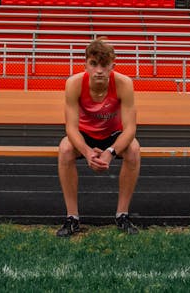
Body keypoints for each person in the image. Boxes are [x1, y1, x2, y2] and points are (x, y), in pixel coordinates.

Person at [56, 37, 141, 237]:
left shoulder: (124, 84)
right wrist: (86, 152)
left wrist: (111, 152)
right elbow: (71, 127)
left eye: (104, 65)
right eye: (94, 64)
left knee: (134, 150)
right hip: (85, 135)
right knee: (65, 149)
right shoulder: (74, 84)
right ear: (85, 64)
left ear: (113, 65)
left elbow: (130, 129)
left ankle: (122, 214)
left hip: (113, 135)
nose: (99, 70)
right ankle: (72, 218)